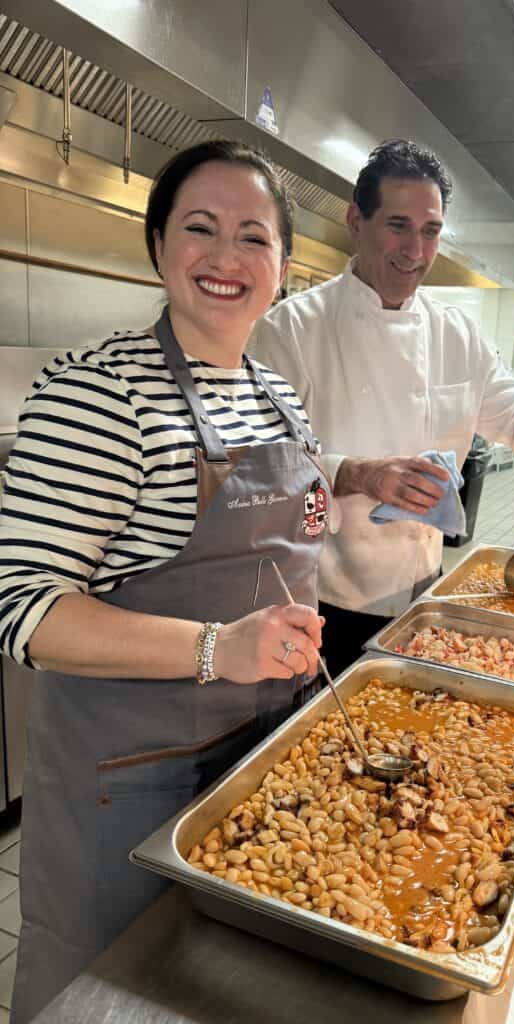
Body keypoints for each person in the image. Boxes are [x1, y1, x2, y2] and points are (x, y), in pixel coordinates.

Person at [0, 140, 328, 1022]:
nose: (227, 258)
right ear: (158, 247)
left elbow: (288, 536)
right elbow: (23, 610)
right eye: (200, 229)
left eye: (253, 238)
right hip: (129, 778)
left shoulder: (277, 394)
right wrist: (221, 647)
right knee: (103, 992)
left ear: (284, 268)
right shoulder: (99, 391)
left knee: (210, 993)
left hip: (250, 761)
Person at [254, 139, 514, 676]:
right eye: (398, 225)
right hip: (324, 600)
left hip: (424, 590)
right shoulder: (291, 329)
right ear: (356, 220)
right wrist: (360, 473)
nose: (415, 249)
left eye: (431, 230)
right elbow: (262, 464)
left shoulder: (456, 331)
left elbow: (513, 414)